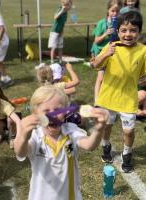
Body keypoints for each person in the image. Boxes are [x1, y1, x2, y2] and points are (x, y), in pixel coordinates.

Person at [14, 85, 109, 200]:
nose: (53, 115)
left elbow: (89, 145)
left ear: (65, 111)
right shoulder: (35, 136)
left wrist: (99, 129)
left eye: (58, 110)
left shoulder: (71, 131)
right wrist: (23, 135)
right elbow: (21, 152)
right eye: (46, 111)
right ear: (36, 114)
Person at [91, 11, 146, 173]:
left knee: (129, 131)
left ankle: (127, 154)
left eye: (133, 30)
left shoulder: (143, 51)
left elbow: (143, 75)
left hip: (128, 99)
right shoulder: (111, 47)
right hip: (108, 97)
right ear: (118, 31)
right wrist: (106, 54)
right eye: (124, 30)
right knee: (106, 127)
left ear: (139, 32)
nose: (128, 34)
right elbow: (95, 65)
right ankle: (106, 145)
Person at [90, 0, 122, 102]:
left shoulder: (120, 23)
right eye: (113, 11)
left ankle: (110, 98)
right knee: (100, 77)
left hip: (113, 52)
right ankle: (97, 100)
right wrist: (106, 33)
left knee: (111, 77)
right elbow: (96, 41)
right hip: (101, 52)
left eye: (117, 11)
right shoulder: (101, 23)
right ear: (108, 10)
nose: (115, 13)